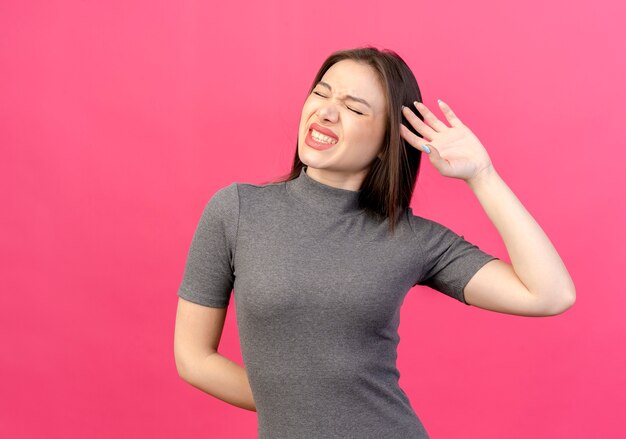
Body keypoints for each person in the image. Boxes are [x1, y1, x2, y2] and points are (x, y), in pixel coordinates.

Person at [173, 46, 576, 438]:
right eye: (321, 92)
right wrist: (300, 405)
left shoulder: (412, 237)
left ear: (386, 143)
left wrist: (482, 175)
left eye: (354, 108)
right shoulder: (237, 210)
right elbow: (194, 359)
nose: (327, 111)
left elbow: (549, 295)